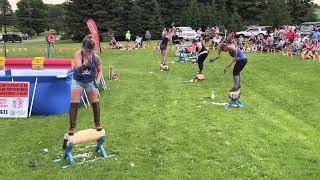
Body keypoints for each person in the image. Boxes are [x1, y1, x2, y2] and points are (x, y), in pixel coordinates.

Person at [69, 34, 103, 135]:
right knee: (74, 103)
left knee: (95, 102)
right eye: (87, 50)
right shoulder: (78, 54)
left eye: (90, 50)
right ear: (83, 47)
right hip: (78, 81)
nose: (89, 52)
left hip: (90, 82)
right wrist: (84, 65)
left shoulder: (96, 57)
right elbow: (78, 68)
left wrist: (97, 80)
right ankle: (72, 127)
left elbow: (100, 71)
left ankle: (97, 123)